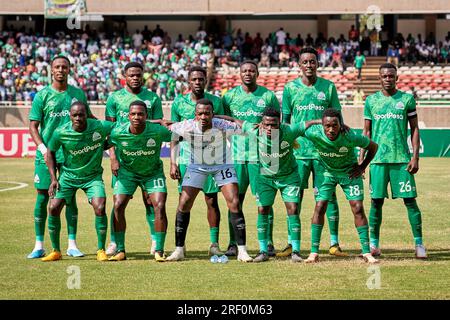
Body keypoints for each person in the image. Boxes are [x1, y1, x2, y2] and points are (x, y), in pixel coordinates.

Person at [166, 99, 253, 262]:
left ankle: (242, 251)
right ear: (195, 115)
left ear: (213, 114)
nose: (204, 116)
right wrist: (173, 162)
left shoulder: (222, 125)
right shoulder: (186, 126)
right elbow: (171, 134)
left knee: (234, 202)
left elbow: (246, 128)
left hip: (222, 165)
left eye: (207, 113)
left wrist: (232, 119)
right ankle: (179, 250)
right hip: (196, 166)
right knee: (184, 202)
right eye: (200, 113)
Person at [280, 47, 345, 258]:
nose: (309, 65)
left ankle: (334, 243)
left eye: (312, 62)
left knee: (328, 197)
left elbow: (338, 119)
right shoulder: (290, 89)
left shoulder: (328, 87)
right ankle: (292, 242)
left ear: (318, 64)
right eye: (305, 62)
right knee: (293, 198)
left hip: (323, 153)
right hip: (297, 153)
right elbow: (285, 123)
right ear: (299, 65)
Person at [219, 108, 303, 263]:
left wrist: (339, 124)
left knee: (293, 208)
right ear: (261, 124)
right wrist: (214, 116)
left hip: (288, 176)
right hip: (265, 177)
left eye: (274, 125)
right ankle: (263, 251)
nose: (270, 128)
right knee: (263, 209)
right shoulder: (254, 130)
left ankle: (296, 251)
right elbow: (233, 120)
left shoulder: (290, 130)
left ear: (280, 123)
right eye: (267, 125)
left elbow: (310, 123)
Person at [361, 63, 427, 259]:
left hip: (401, 160)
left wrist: (415, 156)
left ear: (396, 78)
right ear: (379, 78)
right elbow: (366, 132)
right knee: (375, 203)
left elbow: (415, 128)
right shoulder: (371, 101)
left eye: (391, 76)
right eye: (384, 76)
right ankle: (374, 245)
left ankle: (419, 244)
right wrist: (361, 159)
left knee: (410, 201)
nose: (388, 79)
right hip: (378, 160)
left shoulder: (407, 99)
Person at [297, 109, 379, 264]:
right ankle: (314, 252)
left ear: (341, 124)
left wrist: (362, 167)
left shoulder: (350, 136)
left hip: (349, 174)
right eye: (327, 125)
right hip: (326, 173)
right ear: (322, 125)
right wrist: (315, 121)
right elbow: (295, 128)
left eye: (335, 125)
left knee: (358, 208)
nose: (330, 129)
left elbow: (373, 147)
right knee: (320, 206)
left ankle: (367, 252)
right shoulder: (314, 133)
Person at [28, 56, 89, 259]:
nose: (61, 70)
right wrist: (43, 149)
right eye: (57, 67)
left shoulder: (77, 93)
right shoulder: (42, 95)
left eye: (64, 67)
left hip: (72, 155)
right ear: (51, 70)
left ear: (69, 70)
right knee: (43, 196)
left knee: (69, 198)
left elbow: (89, 119)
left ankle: (72, 244)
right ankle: (39, 245)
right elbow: (33, 126)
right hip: (47, 155)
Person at [104, 62, 163, 256]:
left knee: (150, 202)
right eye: (131, 75)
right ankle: (114, 242)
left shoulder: (153, 98)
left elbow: (157, 125)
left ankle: (155, 241)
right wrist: (113, 158)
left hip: (147, 159)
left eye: (138, 75)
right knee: (118, 203)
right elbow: (110, 131)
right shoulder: (115, 98)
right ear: (125, 76)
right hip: (123, 160)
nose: (135, 78)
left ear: (143, 76)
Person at [222, 60, 280, 257]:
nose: (248, 74)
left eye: (252, 71)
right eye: (244, 71)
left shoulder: (268, 96)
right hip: (237, 157)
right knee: (234, 202)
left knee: (265, 202)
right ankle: (232, 243)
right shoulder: (229, 96)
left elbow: (278, 125)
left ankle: (269, 243)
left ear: (258, 73)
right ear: (240, 74)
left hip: (263, 157)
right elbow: (224, 121)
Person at [42, 102, 112, 262]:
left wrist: (107, 144)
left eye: (82, 114)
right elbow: (50, 152)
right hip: (68, 177)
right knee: (53, 208)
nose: (79, 118)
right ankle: (56, 251)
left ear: (87, 114)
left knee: (100, 207)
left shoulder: (99, 126)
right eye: (75, 115)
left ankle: (101, 249)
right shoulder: (60, 132)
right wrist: (54, 178)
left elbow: (119, 130)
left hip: (92, 177)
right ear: (70, 116)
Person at [170, 66, 224, 256]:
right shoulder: (179, 102)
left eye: (201, 79)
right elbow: (175, 135)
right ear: (189, 82)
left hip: (210, 157)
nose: (198, 83)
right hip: (186, 158)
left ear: (205, 81)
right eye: (194, 79)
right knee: (184, 201)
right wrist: (173, 162)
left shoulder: (215, 101)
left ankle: (214, 244)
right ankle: (180, 246)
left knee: (211, 200)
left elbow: (221, 128)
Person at [108, 100, 172, 262]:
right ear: (128, 116)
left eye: (140, 114)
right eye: (133, 114)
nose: (137, 117)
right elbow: (105, 142)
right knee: (118, 205)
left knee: (159, 205)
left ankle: (159, 250)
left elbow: (177, 136)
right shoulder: (118, 131)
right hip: (127, 174)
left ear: (146, 116)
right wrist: (113, 158)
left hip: (152, 173)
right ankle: (120, 250)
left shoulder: (157, 131)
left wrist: (174, 162)